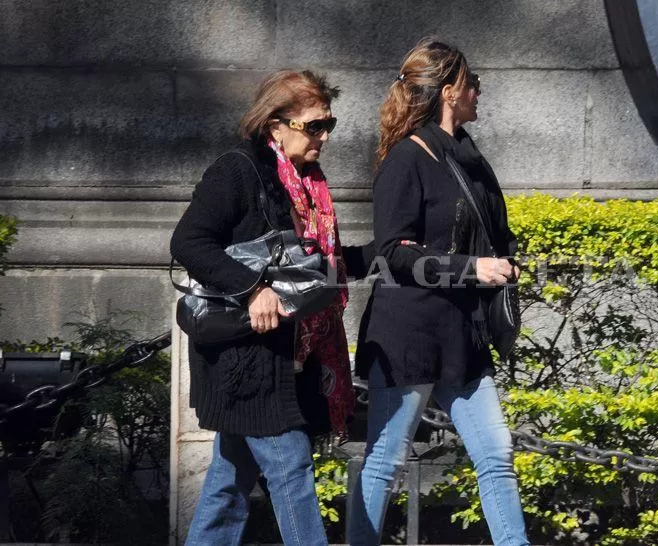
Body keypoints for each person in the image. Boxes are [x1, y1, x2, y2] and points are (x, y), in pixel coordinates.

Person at [171, 69, 372, 545]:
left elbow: (315, 267)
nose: (324, 136)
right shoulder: (238, 170)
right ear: (275, 125)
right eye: (314, 125)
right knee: (291, 469)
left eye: (329, 124)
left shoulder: (307, 184)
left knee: (229, 484)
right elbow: (189, 242)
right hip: (247, 357)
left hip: (288, 356)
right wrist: (253, 289)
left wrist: (388, 252)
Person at [348, 39, 530, 546]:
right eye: (472, 83)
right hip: (409, 336)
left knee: (496, 456)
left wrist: (503, 262)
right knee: (386, 462)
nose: (479, 91)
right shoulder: (407, 158)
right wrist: (472, 268)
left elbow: (491, 232)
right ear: (449, 91)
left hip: (463, 335)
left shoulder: (469, 158)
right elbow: (391, 253)